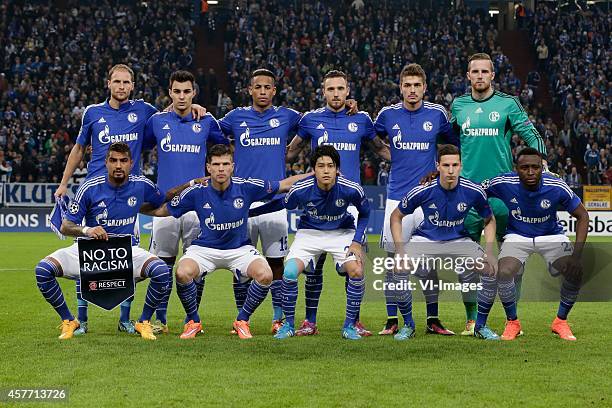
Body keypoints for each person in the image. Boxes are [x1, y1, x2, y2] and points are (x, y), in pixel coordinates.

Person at [54, 64, 206, 335]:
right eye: (117, 82)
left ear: (133, 85)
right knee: (89, 255)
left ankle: (125, 319)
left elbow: (170, 114)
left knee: (124, 260)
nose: (121, 86)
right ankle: (82, 319)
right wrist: (64, 183)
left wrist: (198, 109)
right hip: (95, 193)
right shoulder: (93, 113)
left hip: (129, 194)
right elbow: (78, 148)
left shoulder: (144, 111)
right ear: (108, 83)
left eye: (126, 82)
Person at [218, 68, 358, 333]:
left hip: (275, 201)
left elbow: (320, 119)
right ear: (250, 90)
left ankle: (278, 317)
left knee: (276, 263)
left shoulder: (289, 117)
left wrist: (346, 107)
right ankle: (241, 318)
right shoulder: (235, 118)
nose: (262, 92)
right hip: (240, 202)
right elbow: (206, 128)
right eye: (257, 87)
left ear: (274, 90)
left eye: (267, 87)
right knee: (240, 266)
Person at [146, 144, 310, 339]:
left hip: (239, 248)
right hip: (204, 248)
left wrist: (315, 175)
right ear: (208, 167)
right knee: (182, 273)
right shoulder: (196, 192)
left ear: (233, 166)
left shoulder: (246, 186)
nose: (221, 169)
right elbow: (161, 211)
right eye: (216, 164)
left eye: (225, 164)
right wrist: (130, 209)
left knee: (265, 275)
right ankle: (193, 321)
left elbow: (284, 184)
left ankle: (242, 320)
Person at [35, 142, 181, 340]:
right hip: (89, 252)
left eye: (123, 161)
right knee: (43, 270)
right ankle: (70, 320)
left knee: (162, 271)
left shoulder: (142, 185)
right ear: (106, 163)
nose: (118, 165)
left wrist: (189, 186)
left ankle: (143, 321)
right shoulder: (89, 187)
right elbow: (66, 226)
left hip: (124, 252)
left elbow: (161, 200)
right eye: (113, 160)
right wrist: (87, 230)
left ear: (131, 163)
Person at [285, 69, 390, 337]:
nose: (336, 94)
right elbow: (289, 153)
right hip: (318, 201)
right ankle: (310, 321)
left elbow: (381, 150)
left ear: (348, 91)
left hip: (349, 201)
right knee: (313, 268)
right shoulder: (310, 120)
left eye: (340, 89)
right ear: (323, 91)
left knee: (354, 265)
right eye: (331, 89)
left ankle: (352, 321)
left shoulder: (362, 119)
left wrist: (417, 160)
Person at [449, 52, 547, 335]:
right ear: (468, 76)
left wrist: (541, 160)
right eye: (474, 72)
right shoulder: (458, 106)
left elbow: (533, 136)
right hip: (466, 194)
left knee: (512, 259)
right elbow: (448, 140)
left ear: (493, 75)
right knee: (465, 260)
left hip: (503, 195)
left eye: (484, 72)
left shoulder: (508, 105)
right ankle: (470, 319)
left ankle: (511, 320)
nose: (479, 76)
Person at [374, 63, 459, 336]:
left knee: (427, 264)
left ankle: (432, 319)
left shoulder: (437, 114)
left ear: (425, 88)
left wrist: (438, 168)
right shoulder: (387, 115)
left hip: (427, 201)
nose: (412, 90)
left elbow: (450, 146)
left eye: (416, 85)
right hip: (396, 199)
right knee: (392, 262)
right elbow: (373, 140)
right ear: (400, 87)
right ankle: (391, 320)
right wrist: (391, 156)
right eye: (407, 85)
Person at [252, 145, 370, 340]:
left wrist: (356, 242)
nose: (325, 170)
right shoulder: (301, 189)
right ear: (313, 169)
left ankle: (349, 326)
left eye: (330, 166)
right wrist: (249, 213)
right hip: (309, 233)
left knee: (356, 270)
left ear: (337, 169)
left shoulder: (351, 189)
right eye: (321, 166)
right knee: (289, 271)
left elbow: (365, 213)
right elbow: (280, 204)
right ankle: (288, 325)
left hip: (342, 232)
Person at [143, 70, 228, 333]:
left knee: (196, 266)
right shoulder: (157, 121)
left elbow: (223, 150)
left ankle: (193, 319)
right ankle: (161, 319)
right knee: (162, 264)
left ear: (194, 93)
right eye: (177, 91)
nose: (182, 96)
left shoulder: (207, 121)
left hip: (198, 206)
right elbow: (138, 148)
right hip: (164, 207)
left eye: (186, 91)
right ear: (170, 93)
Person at [389, 144, 498, 340]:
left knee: (489, 268)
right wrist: (400, 250)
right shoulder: (423, 190)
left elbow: (489, 220)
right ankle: (408, 325)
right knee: (399, 268)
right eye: (446, 165)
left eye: (455, 165)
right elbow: (396, 216)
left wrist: (489, 251)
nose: (450, 170)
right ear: (437, 165)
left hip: (459, 240)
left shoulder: (473, 191)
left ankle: (479, 325)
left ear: (461, 166)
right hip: (426, 239)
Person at [480, 147, 589, 340]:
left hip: (551, 235)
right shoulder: (504, 182)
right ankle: (512, 322)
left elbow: (583, 215)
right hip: (518, 236)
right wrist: (438, 177)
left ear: (542, 168)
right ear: (516, 168)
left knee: (576, 271)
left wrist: (576, 256)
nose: (530, 172)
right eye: (525, 167)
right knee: (504, 272)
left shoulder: (556, 185)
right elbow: (474, 190)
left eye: (535, 167)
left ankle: (560, 321)